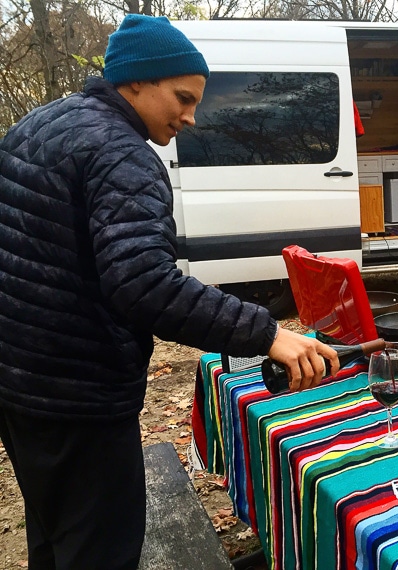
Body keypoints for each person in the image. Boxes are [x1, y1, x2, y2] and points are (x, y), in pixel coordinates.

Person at [0, 14, 338, 570]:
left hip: (20, 386)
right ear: (135, 81)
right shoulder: (122, 154)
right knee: (98, 551)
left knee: (53, 535)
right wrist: (267, 333)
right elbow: (144, 283)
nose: (191, 116)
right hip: (78, 393)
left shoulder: (40, 125)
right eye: (182, 97)